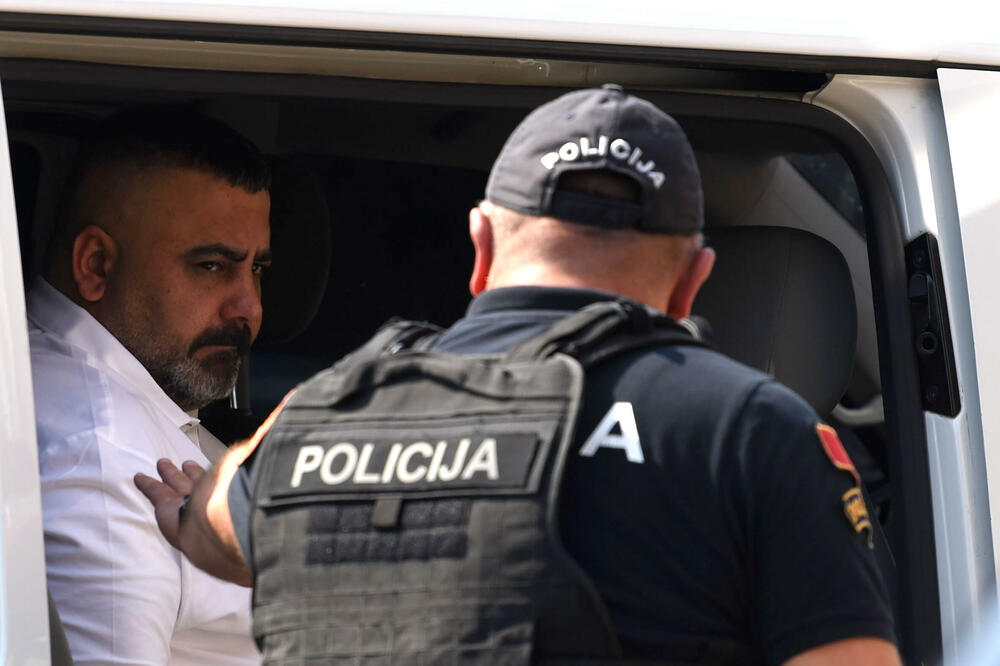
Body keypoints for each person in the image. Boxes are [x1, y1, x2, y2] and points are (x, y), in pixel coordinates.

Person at [136, 85, 900, 665]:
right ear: (693, 282)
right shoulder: (756, 438)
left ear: (480, 248)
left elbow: (207, 525)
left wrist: (322, 422)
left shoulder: (315, 426)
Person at [31, 107, 270, 665]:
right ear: (96, 265)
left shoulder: (85, 399)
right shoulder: (103, 460)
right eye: (211, 266)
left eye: (257, 269)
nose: (249, 307)